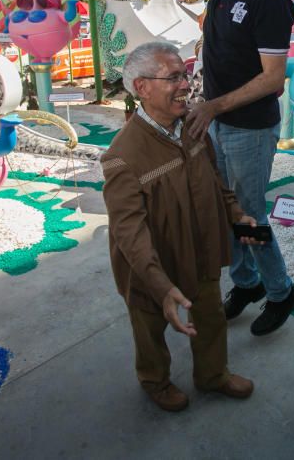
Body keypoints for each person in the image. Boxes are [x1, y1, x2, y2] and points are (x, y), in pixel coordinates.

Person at [129, 0, 294, 336]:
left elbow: (273, 79)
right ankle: (245, 283)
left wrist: (212, 106)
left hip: (248, 127)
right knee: (228, 211)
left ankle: (281, 291)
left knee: (249, 216)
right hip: (219, 122)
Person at [101, 41, 257, 412]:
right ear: (142, 87)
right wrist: (159, 285)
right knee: (150, 327)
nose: (186, 85)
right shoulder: (122, 156)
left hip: (200, 249)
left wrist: (237, 216)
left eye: (184, 75)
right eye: (173, 78)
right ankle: (155, 382)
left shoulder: (192, 126)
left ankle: (213, 374)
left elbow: (217, 181)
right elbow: (130, 234)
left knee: (210, 316)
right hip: (150, 267)